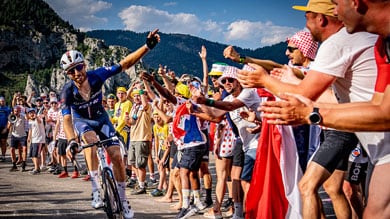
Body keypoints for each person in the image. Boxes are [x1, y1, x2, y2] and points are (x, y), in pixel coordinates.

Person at [237, 0, 379, 218]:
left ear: (320, 19)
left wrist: (264, 81)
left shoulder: (337, 43)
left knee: (313, 187)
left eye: (307, 18)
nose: (287, 53)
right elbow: (303, 83)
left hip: (346, 131)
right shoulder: (341, 47)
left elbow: (305, 92)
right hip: (353, 131)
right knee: (335, 189)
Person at [60, 28, 160, 219]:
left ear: (84, 65)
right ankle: (96, 187)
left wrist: (147, 47)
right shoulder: (66, 92)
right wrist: (72, 140)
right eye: (71, 71)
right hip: (82, 122)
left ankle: (123, 200)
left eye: (79, 67)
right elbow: (66, 119)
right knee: (89, 141)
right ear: (68, 74)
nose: (76, 72)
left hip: (101, 118)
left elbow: (126, 63)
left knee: (116, 156)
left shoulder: (98, 76)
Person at [192, 65, 263, 219]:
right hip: (244, 142)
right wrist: (197, 106)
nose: (227, 83)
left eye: (231, 80)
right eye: (224, 81)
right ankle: (238, 213)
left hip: (260, 141)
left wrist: (205, 100)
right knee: (236, 177)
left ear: (238, 81)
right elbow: (215, 116)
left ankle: (253, 213)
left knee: (246, 180)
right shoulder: (228, 98)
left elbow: (230, 107)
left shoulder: (248, 92)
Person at [126, 88, 153, 195]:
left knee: (141, 164)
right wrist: (127, 120)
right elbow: (131, 122)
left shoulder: (146, 106)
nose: (137, 97)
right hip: (133, 137)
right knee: (133, 163)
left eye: (139, 95)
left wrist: (142, 91)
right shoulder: (134, 107)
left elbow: (145, 104)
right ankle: (140, 182)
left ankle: (142, 186)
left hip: (142, 138)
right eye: (135, 96)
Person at [8, 106, 28, 172]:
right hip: (14, 135)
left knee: (24, 149)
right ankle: (14, 165)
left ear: (20, 111)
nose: (16, 112)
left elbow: (27, 118)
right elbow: (8, 127)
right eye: (15, 111)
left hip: (22, 135)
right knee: (11, 149)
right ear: (14, 111)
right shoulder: (11, 117)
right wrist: (11, 123)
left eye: (18, 111)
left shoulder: (23, 116)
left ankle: (23, 164)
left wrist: (25, 115)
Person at [26, 107, 46, 175]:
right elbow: (30, 130)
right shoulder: (30, 121)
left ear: (35, 113)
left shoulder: (39, 119)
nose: (31, 114)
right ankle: (36, 167)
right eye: (30, 113)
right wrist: (29, 138)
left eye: (33, 112)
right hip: (33, 140)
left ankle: (37, 169)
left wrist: (36, 116)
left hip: (39, 140)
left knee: (36, 155)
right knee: (32, 155)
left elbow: (39, 121)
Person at [0, 96, 11, 162]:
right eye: (1, 101)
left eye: (3, 101)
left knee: (3, 142)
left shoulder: (7, 109)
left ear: (5, 101)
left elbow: (10, 119)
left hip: (4, 127)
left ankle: (3, 156)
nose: (2, 102)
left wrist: (6, 128)